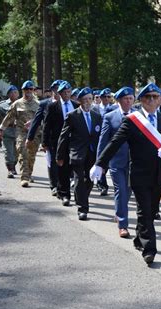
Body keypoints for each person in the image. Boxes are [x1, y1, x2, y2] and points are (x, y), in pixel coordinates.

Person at [90, 82, 161, 265]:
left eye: (155, 97)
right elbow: (114, 142)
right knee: (145, 211)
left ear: (160, 100)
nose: (152, 101)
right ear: (141, 101)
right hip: (139, 174)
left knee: (152, 210)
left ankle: (140, 238)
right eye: (148, 98)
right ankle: (149, 250)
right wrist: (100, 164)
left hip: (160, 175)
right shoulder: (132, 121)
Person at [56, 87, 102, 220]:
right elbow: (63, 137)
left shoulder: (97, 116)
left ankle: (81, 197)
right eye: (85, 99)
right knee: (79, 179)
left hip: (92, 154)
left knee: (90, 180)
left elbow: (100, 137)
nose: (87, 102)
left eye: (89, 99)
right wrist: (59, 156)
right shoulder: (72, 116)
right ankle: (83, 208)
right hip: (77, 153)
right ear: (80, 101)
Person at [96, 87, 135, 238]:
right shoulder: (110, 116)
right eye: (126, 99)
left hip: (134, 162)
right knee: (121, 191)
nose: (128, 101)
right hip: (116, 161)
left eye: (131, 98)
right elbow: (103, 140)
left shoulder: (138, 116)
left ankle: (119, 213)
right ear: (119, 100)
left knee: (129, 190)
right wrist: (100, 163)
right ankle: (123, 224)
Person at [0, 80, 41, 187]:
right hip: (21, 132)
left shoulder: (38, 105)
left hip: (35, 134)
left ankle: (29, 174)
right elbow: (8, 118)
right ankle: (24, 177)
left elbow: (43, 120)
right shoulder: (17, 104)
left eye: (30, 89)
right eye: (26, 89)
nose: (28, 91)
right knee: (23, 152)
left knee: (31, 155)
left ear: (33, 90)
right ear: (22, 91)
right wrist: (1, 130)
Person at [42, 81, 78, 206]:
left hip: (74, 142)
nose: (67, 94)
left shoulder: (76, 105)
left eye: (69, 92)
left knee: (74, 168)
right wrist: (45, 142)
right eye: (64, 92)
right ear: (60, 93)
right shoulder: (53, 106)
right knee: (61, 168)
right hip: (58, 142)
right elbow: (47, 126)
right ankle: (65, 194)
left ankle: (74, 193)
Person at [26, 79, 62, 194]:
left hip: (67, 139)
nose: (58, 92)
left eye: (60, 90)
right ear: (52, 91)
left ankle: (63, 183)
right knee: (52, 162)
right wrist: (30, 137)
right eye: (56, 90)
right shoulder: (44, 104)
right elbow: (36, 121)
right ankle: (54, 185)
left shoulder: (70, 104)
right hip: (50, 138)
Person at [0, 85, 19, 177]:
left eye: (15, 92)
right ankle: (10, 170)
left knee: (17, 153)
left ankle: (13, 165)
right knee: (8, 152)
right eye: (12, 92)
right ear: (8, 94)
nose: (14, 94)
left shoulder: (23, 103)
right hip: (7, 131)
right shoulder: (2, 104)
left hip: (20, 132)